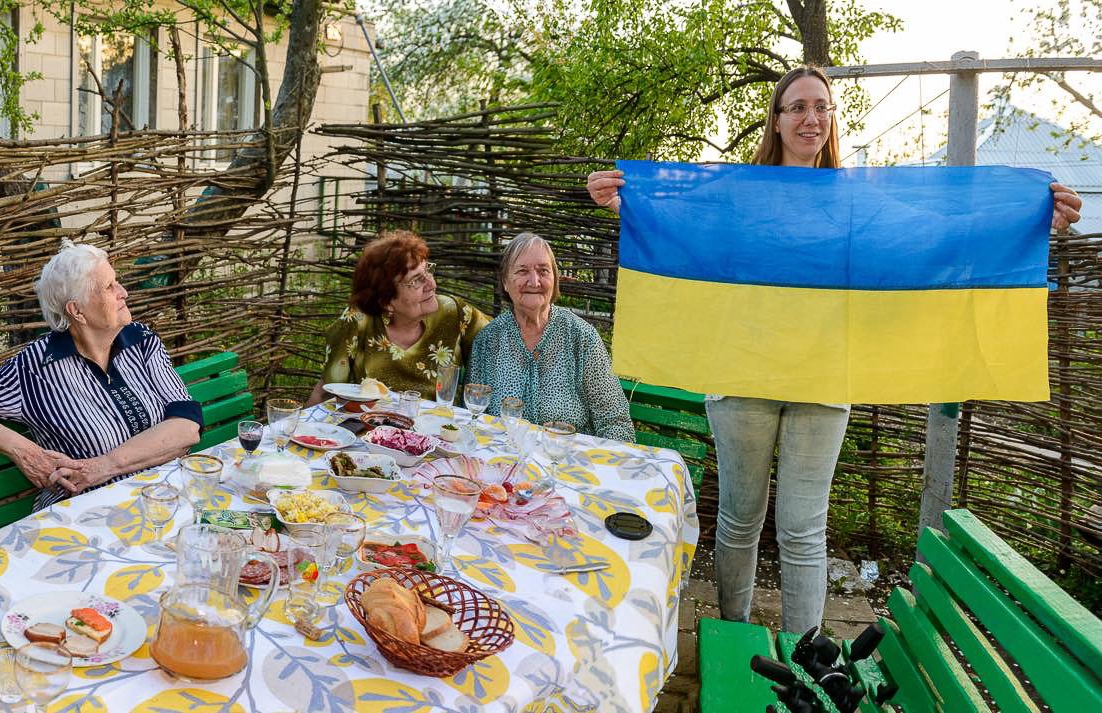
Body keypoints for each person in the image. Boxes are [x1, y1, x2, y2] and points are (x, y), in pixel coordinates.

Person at [586, 65, 1084, 634]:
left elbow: (935, 236)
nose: (811, 118)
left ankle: (805, 662)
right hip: (741, 377)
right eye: (797, 106)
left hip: (824, 382)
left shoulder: (856, 203)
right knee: (738, 520)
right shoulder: (740, 197)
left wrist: (1034, 218)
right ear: (776, 120)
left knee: (802, 530)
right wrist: (629, 207)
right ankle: (734, 635)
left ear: (831, 120)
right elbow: (684, 227)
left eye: (821, 107)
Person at [0, 241, 202, 511]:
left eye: (117, 282)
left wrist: (103, 466)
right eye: (109, 287)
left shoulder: (142, 341)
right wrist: (25, 451)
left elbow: (187, 426)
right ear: (77, 311)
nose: (123, 292)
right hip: (88, 514)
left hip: (163, 499)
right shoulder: (36, 367)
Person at [468, 232, 634, 441]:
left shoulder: (581, 337)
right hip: (506, 462)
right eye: (522, 271)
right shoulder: (488, 340)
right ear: (505, 282)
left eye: (543, 271)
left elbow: (615, 422)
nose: (534, 281)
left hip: (568, 463)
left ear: (554, 280)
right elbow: (473, 415)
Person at [308, 230, 490, 405]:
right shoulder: (356, 322)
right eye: (417, 279)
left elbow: (501, 337)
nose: (431, 284)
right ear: (386, 300)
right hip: (371, 432)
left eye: (428, 271)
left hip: (438, 431)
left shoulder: (455, 312)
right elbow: (326, 392)